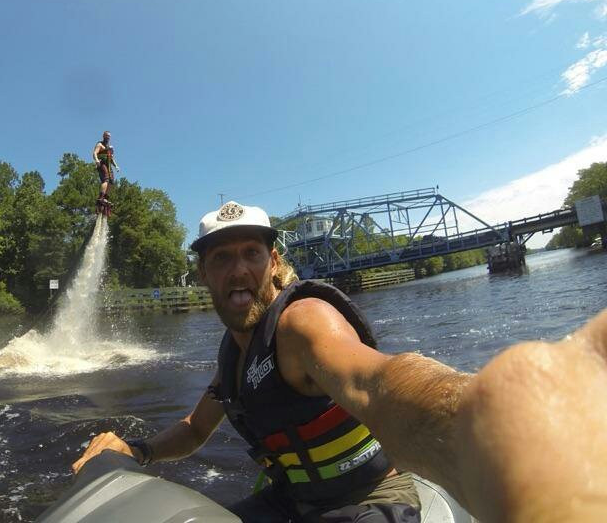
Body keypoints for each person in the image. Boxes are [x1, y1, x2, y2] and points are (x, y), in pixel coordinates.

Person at [73, 201, 607, 522]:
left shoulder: (302, 323)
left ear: (273, 261)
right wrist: (137, 449)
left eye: (251, 254)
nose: (238, 270)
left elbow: (373, 381)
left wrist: (495, 427)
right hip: (293, 502)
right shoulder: (231, 360)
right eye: (221, 258)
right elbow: (194, 430)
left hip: (368, 499)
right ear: (205, 275)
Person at [93, 130, 119, 213]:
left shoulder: (109, 148)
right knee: (106, 179)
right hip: (102, 163)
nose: (108, 137)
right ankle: (101, 197)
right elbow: (94, 153)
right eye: (107, 136)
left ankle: (105, 198)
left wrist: (116, 166)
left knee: (111, 182)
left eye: (109, 136)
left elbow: (111, 158)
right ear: (103, 136)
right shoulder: (100, 144)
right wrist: (96, 160)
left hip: (108, 165)